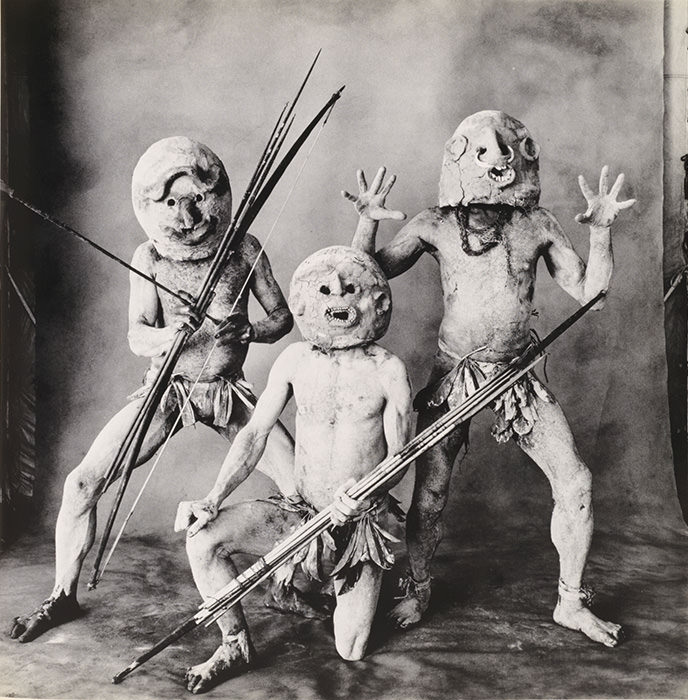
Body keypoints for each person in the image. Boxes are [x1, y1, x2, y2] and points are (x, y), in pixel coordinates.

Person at [344, 111, 635, 647]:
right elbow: (358, 278)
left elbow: (590, 295)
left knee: (575, 483)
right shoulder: (434, 224)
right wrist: (367, 222)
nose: (495, 161)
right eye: (481, 151)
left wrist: (600, 233)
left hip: (517, 377)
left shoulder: (537, 224)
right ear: (459, 158)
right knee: (430, 491)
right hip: (455, 373)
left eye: (504, 151)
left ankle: (571, 602)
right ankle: (419, 586)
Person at [9, 136, 296, 643]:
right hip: (167, 389)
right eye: (171, 204)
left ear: (217, 194)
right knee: (81, 484)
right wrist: (170, 334)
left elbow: (281, 318)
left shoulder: (243, 248)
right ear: (150, 205)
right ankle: (62, 596)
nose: (188, 217)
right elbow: (137, 333)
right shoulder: (150, 258)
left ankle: (298, 580)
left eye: (197, 199)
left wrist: (247, 331)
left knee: (301, 485)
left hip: (229, 391)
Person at [174, 171, 412, 693]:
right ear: (306, 302)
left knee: (350, 650)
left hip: (357, 523)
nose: (338, 296)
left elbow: (403, 457)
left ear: (374, 300)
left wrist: (367, 495)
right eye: (325, 289)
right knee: (202, 539)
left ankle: (369, 578)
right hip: (299, 511)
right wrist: (213, 496)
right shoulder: (293, 359)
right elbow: (255, 434)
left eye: (351, 288)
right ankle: (234, 643)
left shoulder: (387, 368)